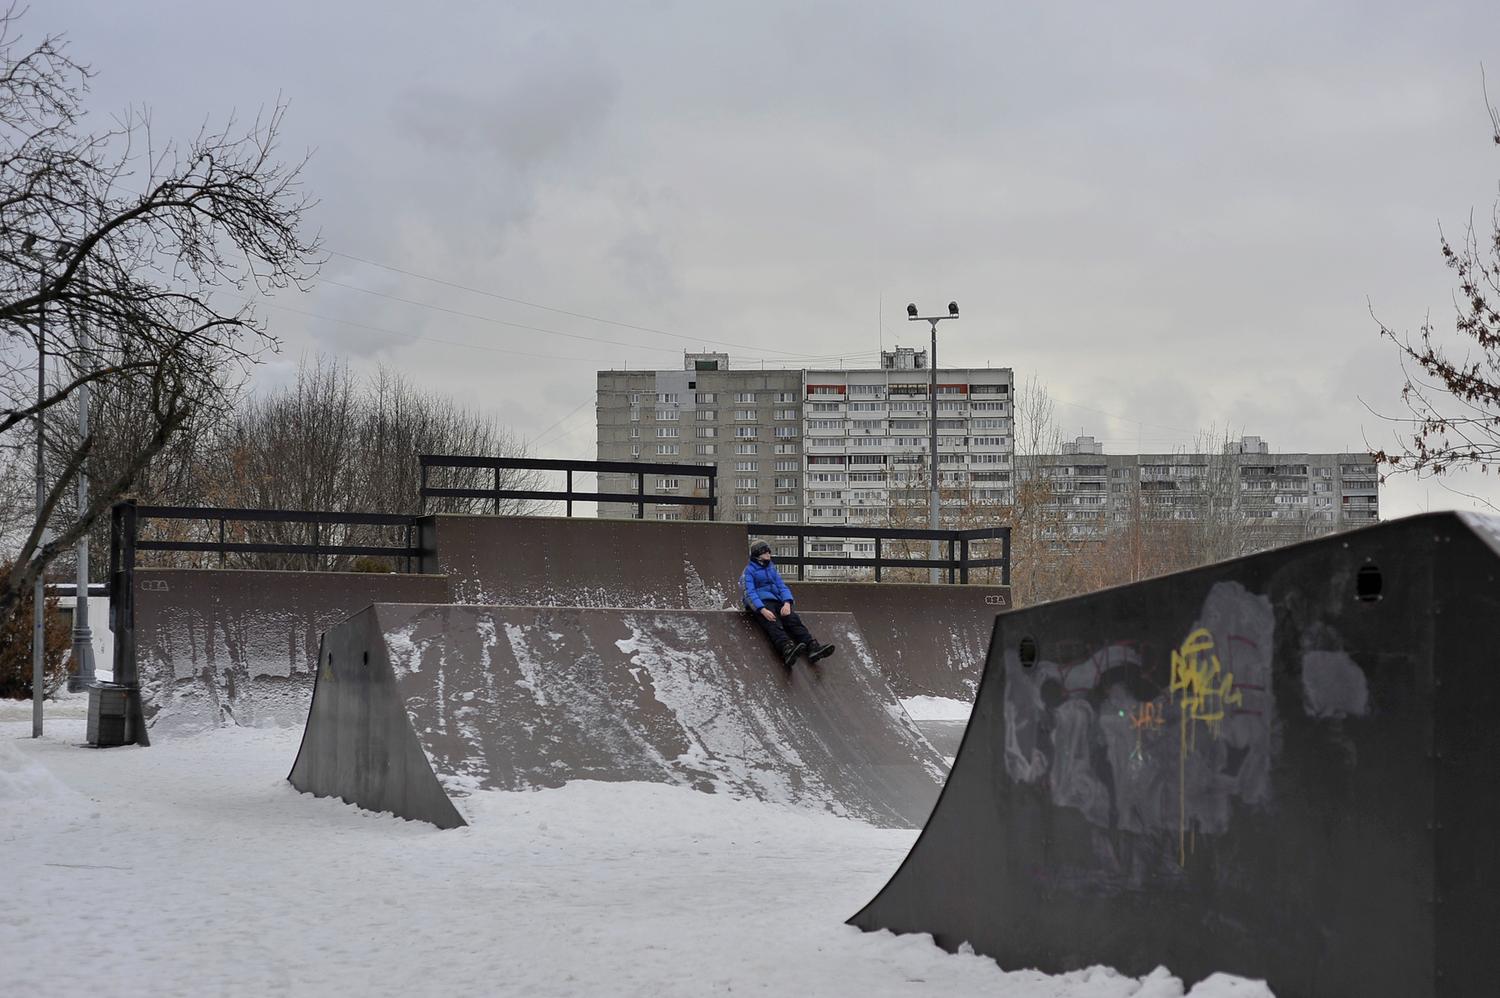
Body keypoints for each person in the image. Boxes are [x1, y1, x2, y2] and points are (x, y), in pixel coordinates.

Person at [741, 540, 836, 667]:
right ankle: (786, 648)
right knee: (773, 622)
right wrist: (762, 609)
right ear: (758, 554)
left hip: (777, 600)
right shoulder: (749, 571)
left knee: (793, 619)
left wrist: (787, 603)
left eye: (769, 551)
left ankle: (812, 646)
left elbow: (782, 587)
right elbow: (749, 593)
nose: (769, 554)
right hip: (762, 603)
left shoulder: (771, 569)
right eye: (766, 551)